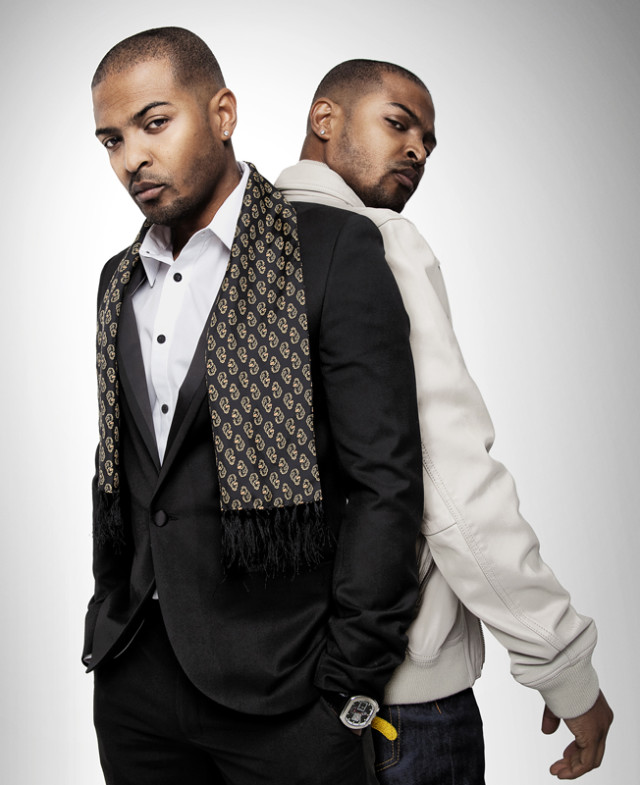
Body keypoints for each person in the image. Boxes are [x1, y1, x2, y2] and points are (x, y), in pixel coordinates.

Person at [84, 31, 424, 785]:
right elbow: (123, 467)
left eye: (154, 122)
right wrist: (106, 622)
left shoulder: (330, 249)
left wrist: (349, 680)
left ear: (223, 114)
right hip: (138, 683)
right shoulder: (119, 278)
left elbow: (386, 482)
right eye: (112, 140)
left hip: (287, 689)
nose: (132, 157)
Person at [276, 59, 613, 783]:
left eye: (427, 142)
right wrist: (561, 663)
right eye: (398, 123)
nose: (417, 150)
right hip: (399, 698)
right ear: (324, 118)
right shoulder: (377, 241)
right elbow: (451, 480)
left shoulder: (227, 248)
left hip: (263, 699)